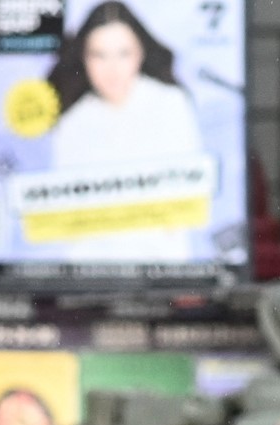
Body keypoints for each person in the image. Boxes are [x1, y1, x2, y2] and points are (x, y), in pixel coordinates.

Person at [46, 3, 204, 261]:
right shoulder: (73, 120)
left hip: (161, 263)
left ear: (140, 53)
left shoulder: (170, 103)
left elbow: (190, 192)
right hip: (90, 268)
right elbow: (67, 210)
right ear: (84, 58)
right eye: (99, 55)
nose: (112, 68)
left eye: (123, 53)